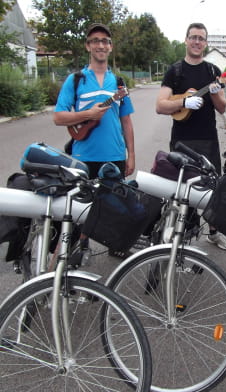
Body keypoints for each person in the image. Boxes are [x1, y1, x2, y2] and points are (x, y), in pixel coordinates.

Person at [53, 23, 136, 259]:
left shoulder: (119, 82)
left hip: (115, 156)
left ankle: (116, 245)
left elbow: (126, 122)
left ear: (110, 47)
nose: (101, 44)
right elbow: (59, 117)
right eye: (96, 40)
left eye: (105, 41)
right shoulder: (76, 80)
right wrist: (87, 115)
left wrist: (131, 154)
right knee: (81, 209)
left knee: (115, 207)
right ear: (88, 45)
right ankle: (80, 248)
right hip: (83, 157)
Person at [156, 22, 226, 251]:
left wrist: (216, 92)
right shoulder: (175, 71)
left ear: (206, 43)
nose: (197, 42)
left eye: (201, 38)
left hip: (208, 139)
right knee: (182, 191)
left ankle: (214, 233)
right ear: (186, 40)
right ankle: (183, 236)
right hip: (181, 140)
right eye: (193, 37)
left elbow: (221, 107)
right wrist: (183, 102)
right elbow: (160, 105)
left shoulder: (212, 72)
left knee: (212, 188)